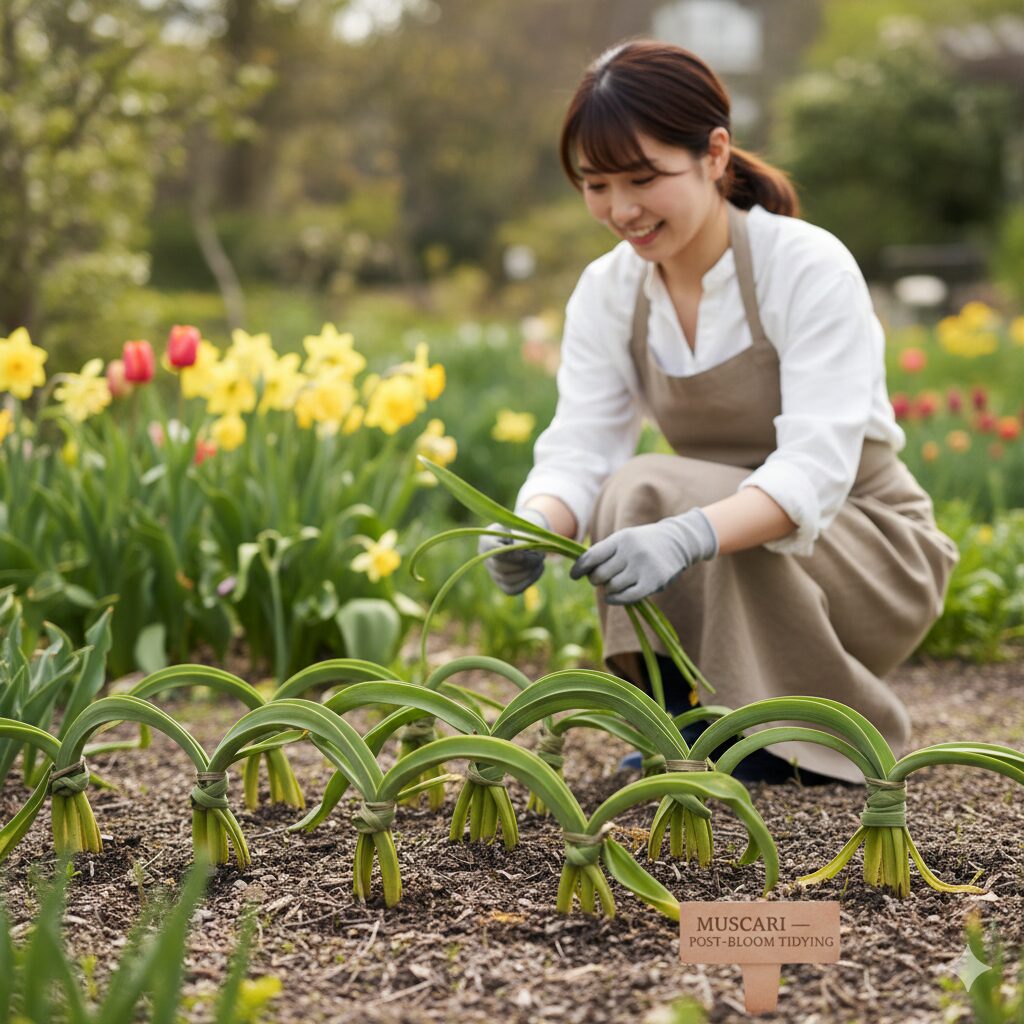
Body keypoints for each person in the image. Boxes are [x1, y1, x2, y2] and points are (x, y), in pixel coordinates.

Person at [479, 40, 959, 785]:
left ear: (714, 154)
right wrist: (533, 525)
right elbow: (580, 447)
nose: (621, 209)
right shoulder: (610, 292)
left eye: (644, 178)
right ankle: (681, 728)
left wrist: (689, 533)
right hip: (737, 556)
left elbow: (816, 469)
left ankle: (790, 742)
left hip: (867, 547)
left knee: (648, 493)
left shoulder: (804, 264)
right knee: (629, 489)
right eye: (597, 184)